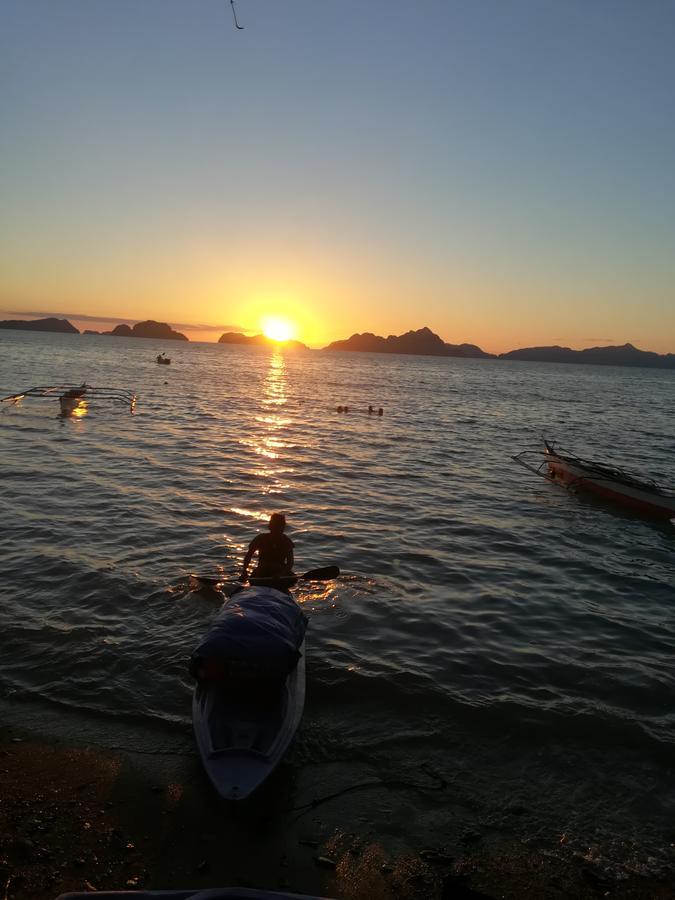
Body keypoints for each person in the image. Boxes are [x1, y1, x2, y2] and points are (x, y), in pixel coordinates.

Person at [240, 513, 294, 582]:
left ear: (283, 528)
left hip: (279, 573)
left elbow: (290, 562)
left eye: (279, 527)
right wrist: (244, 572)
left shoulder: (286, 541)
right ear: (270, 527)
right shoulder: (260, 539)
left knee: (293, 579)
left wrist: (282, 574)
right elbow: (248, 556)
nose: (277, 530)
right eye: (275, 526)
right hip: (262, 571)